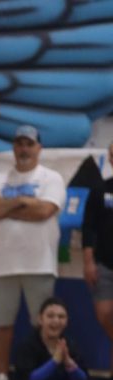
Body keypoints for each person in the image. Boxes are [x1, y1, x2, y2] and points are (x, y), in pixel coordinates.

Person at [0, 124, 67, 380]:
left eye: (29, 144)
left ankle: (40, 374)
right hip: (3, 264)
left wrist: (5, 208)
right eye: (19, 143)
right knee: (2, 324)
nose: (24, 149)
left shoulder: (51, 178)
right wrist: (24, 202)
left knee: (41, 324)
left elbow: (45, 211)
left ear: (39, 148)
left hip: (39, 263)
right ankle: (3, 376)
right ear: (14, 147)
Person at [5, 297, 104, 380]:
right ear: (41, 319)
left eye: (61, 317)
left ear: (66, 321)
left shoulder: (69, 344)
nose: (56, 321)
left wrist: (69, 364)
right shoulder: (28, 345)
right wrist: (54, 362)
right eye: (50, 316)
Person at [82, 140, 113, 345]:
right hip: (104, 264)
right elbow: (89, 227)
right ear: (111, 158)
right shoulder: (100, 189)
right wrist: (88, 262)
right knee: (105, 315)